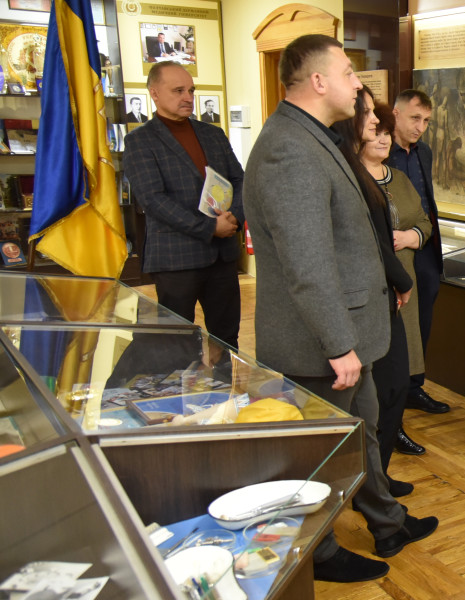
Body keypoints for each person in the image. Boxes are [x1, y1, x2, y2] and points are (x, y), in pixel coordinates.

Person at [243, 34, 437, 583]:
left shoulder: (314, 136)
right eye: (349, 72)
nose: (360, 83)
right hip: (325, 344)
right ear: (319, 81)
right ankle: (318, 554)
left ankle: (386, 521)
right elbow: (308, 264)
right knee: (322, 455)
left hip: (351, 332)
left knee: (364, 431)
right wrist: (338, 343)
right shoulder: (289, 148)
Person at [330, 86, 428, 497]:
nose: (382, 134)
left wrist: (412, 239)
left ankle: (378, 483)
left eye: (386, 129)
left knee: (392, 390)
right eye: (374, 125)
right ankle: (369, 488)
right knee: (370, 399)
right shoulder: (347, 176)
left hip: (397, 293)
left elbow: (424, 222)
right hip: (369, 298)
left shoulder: (400, 177)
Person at [122, 62, 243, 349]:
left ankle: (227, 392)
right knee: (176, 342)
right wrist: (210, 227)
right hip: (176, 259)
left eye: (191, 90)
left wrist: (234, 217)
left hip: (222, 257)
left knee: (226, 339)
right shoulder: (139, 140)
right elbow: (153, 200)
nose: (188, 97)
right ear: (154, 93)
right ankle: (179, 394)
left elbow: (240, 180)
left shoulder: (213, 134)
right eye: (178, 90)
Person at [389, 89, 451, 426]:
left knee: (423, 313)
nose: (420, 127)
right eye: (415, 118)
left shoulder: (423, 152)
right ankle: (394, 389)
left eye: (426, 121)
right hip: (394, 248)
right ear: (395, 114)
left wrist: (422, 235)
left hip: (425, 244)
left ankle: (414, 386)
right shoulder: (381, 152)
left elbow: (426, 198)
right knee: (399, 317)